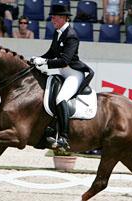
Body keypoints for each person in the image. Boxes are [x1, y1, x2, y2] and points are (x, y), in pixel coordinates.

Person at [30, 4, 94, 151]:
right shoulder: (58, 32)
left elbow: (65, 60)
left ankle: (64, 137)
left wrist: (45, 62)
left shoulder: (71, 35)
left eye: (55, 17)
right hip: (62, 72)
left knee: (61, 99)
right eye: (52, 17)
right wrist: (37, 59)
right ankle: (49, 132)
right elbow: (52, 52)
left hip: (73, 73)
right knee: (47, 96)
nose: (52, 19)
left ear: (64, 18)